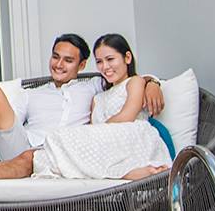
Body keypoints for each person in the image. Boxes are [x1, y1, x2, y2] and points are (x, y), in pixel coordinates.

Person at [0, 33, 166, 181]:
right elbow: (9, 120)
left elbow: (124, 82)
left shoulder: (94, 86)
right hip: (23, 145)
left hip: (67, 150)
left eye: (68, 60)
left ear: (82, 65)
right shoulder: (31, 93)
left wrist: (152, 83)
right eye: (55, 57)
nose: (59, 65)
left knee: (32, 158)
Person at [30, 33, 173, 181]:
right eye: (99, 61)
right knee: (45, 154)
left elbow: (128, 115)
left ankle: (129, 171)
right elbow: (94, 129)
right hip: (107, 144)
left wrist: (153, 82)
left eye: (110, 59)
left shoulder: (134, 82)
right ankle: (121, 172)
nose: (105, 67)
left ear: (127, 58)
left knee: (57, 136)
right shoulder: (98, 98)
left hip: (130, 134)